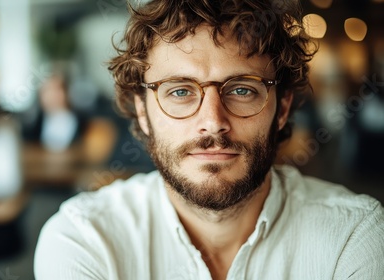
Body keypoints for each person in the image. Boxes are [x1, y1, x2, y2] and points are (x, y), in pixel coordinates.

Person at [34, 1, 384, 279]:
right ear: (142, 111)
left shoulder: (352, 237)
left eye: (243, 89)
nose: (213, 123)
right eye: (181, 91)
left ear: (282, 109)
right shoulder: (84, 240)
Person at [23, 74, 88, 152]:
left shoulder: (84, 123)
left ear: (65, 92)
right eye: (46, 91)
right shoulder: (33, 125)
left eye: (56, 90)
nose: (51, 96)